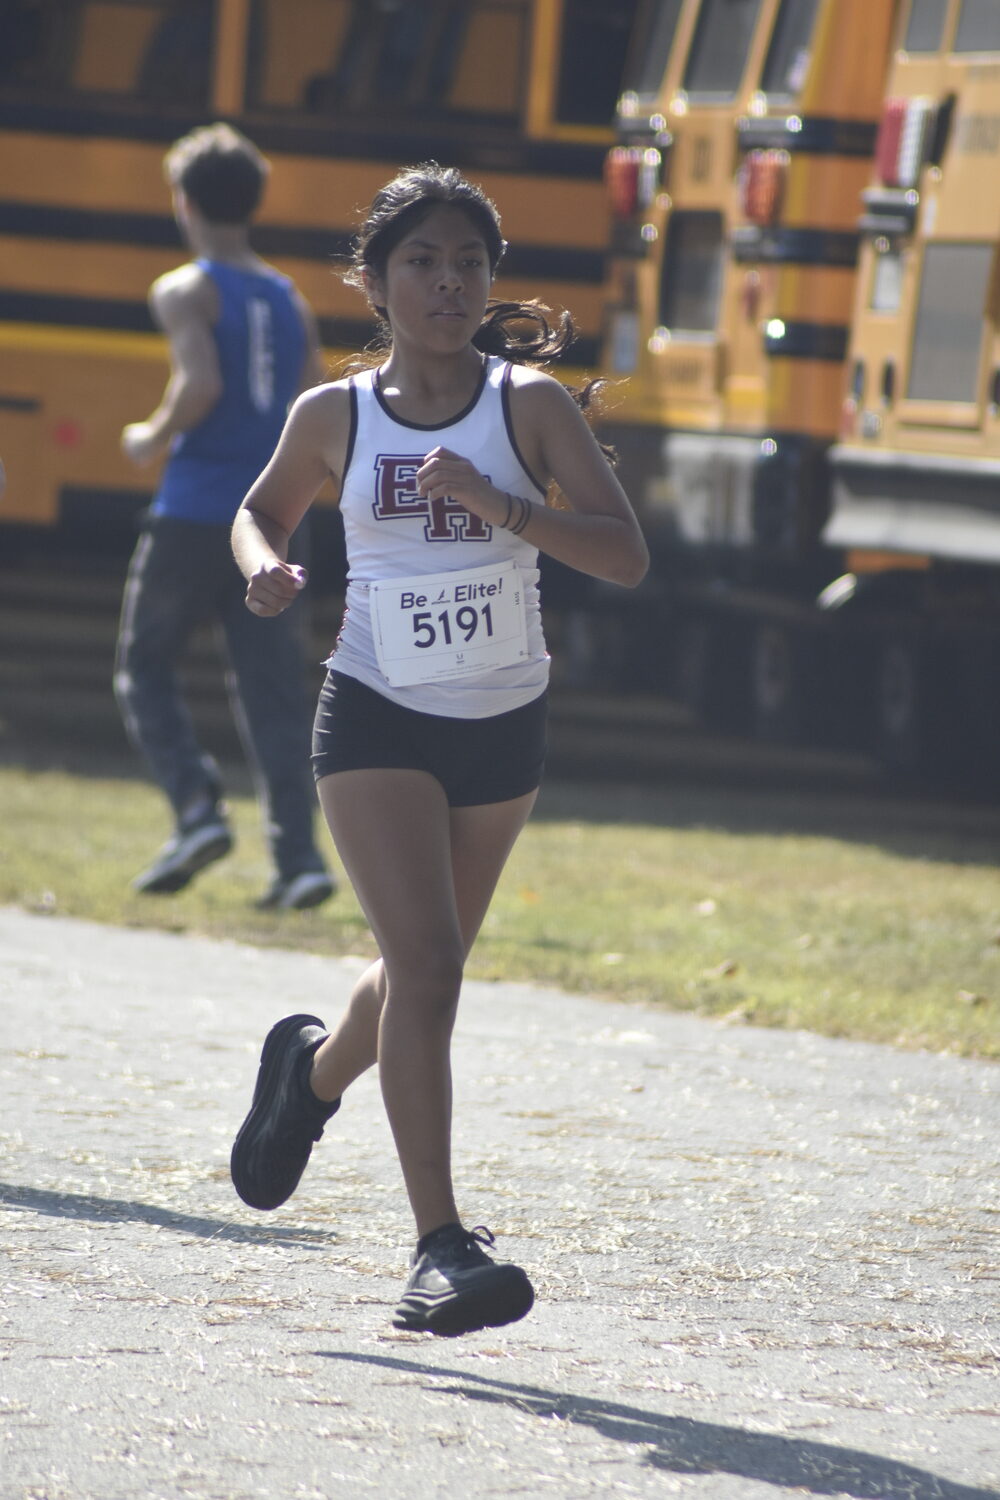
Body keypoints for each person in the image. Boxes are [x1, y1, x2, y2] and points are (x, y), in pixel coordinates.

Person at [229, 163, 648, 1335]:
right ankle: (438, 1250)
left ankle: (305, 1081)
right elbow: (260, 509)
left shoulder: (529, 408)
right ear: (374, 279)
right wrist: (265, 565)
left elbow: (624, 556)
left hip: (502, 721)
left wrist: (507, 509)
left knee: (421, 963)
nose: (449, 281)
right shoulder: (336, 415)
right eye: (422, 260)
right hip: (373, 709)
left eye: (469, 261)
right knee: (433, 967)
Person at [114, 123, 335, 910]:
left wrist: (150, 436)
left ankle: (198, 810)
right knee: (273, 691)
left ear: (184, 201)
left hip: (195, 509)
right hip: (273, 516)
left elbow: (199, 386)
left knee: (144, 667)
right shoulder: (286, 296)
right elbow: (310, 395)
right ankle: (300, 862)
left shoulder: (185, 288)